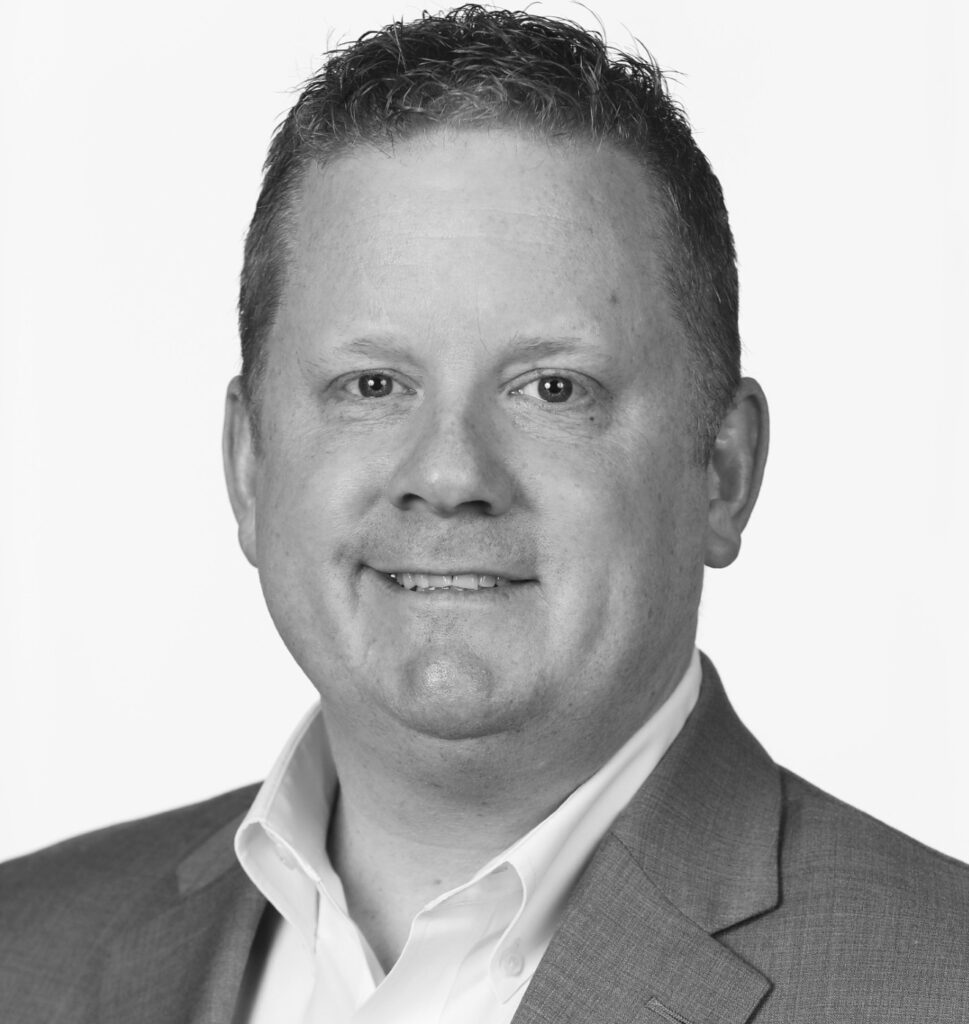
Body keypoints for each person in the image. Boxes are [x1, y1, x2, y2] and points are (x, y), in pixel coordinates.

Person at [1, 5, 967, 1021]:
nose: (450, 472)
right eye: (372, 385)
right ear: (248, 464)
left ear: (723, 471)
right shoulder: (25, 952)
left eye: (552, 388)